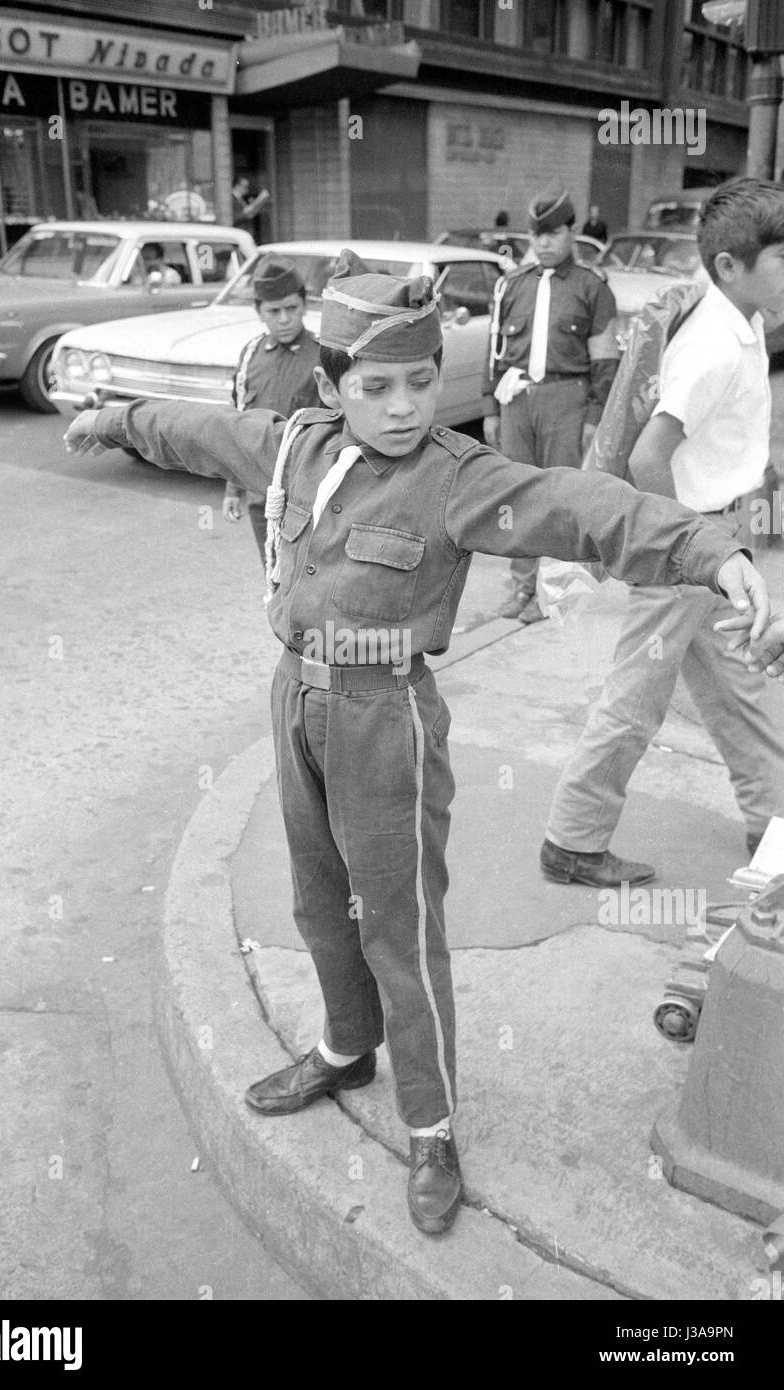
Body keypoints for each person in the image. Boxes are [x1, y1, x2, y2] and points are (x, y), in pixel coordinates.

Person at [63, 248, 768, 1237]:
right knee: (318, 905)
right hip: (295, 702)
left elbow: (585, 508)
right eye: (378, 386)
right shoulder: (294, 445)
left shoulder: (457, 479)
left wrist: (713, 551)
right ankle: (347, 1047)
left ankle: (430, 1127)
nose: (403, 406)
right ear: (331, 384)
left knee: (398, 928)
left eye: (422, 382)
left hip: (384, 717)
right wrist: (111, 417)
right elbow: (195, 430)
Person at [542, 177, 784, 890]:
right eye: (780, 257)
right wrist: (684, 548)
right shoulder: (713, 345)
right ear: (730, 268)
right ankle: (572, 840)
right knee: (634, 700)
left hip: (714, 542)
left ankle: (769, 822)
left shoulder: (736, 324)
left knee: (738, 687)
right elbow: (649, 454)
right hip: (691, 542)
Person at [486, 183, 621, 623]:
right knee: (519, 495)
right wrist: (491, 406)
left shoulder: (592, 287)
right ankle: (521, 585)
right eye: (535, 234)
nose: (543, 243)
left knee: (560, 497)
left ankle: (554, 594)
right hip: (517, 398)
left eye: (553, 233)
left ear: (571, 232)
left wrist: (594, 416)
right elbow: (495, 351)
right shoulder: (511, 285)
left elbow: (605, 360)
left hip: (568, 397)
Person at [222, 255, 320, 568]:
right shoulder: (250, 355)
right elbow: (237, 425)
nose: (284, 319)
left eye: (291, 308)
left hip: (308, 494)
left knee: (308, 575)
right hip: (260, 493)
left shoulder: (323, 356)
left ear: (304, 305)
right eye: (273, 311)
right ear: (259, 312)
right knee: (273, 574)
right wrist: (231, 490)